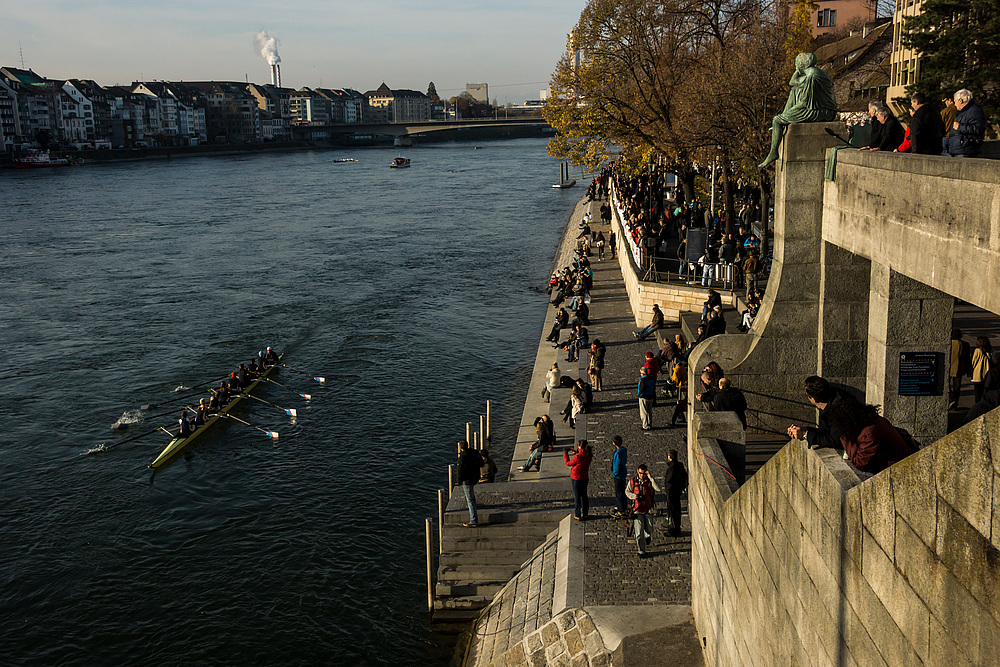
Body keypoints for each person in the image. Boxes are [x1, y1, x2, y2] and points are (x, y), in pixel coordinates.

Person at [759, 52, 837, 168]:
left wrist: (787, 115)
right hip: (821, 109)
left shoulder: (812, 76)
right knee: (794, 90)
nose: (795, 66)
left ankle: (773, 152)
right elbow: (792, 83)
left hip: (821, 112)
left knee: (776, 120)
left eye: (797, 63)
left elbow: (804, 103)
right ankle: (782, 120)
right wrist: (799, 71)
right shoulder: (812, 72)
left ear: (801, 64)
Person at [826, 402, 915, 474]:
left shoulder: (868, 434)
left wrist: (844, 435)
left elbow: (860, 463)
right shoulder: (871, 419)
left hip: (897, 466)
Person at [787, 375, 857, 449]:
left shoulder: (838, 411)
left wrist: (805, 434)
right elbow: (826, 433)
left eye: (807, 396)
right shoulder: (835, 397)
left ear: (814, 399)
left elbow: (834, 441)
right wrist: (805, 430)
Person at [626, 464, 661, 557]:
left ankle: (647, 535)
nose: (642, 475)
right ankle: (641, 551)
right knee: (638, 532)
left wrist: (651, 478)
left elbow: (658, 488)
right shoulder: (632, 481)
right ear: (638, 471)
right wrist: (633, 496)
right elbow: (627, 491)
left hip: (648, 509)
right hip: (637, 509)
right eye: (640, 473)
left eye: (643, 473)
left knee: (649, 529)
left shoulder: (649, 481)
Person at [948, 88, 987, 158]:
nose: (955, 105)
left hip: (965, 150)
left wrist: (959, 127)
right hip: (959, 149)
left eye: (955, 102)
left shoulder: (975, 110)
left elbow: (978, 128)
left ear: (960, 100)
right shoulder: (964, 111)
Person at [564, 440, 593, 520]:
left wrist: (565, 454)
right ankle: (585, 513)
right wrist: (575, 453)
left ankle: (577, 514)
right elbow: (580, 460)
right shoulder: (588, 454)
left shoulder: (578, 457)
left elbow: (568, 463)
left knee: (577, 497)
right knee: (584, 496)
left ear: (580, 446)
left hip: (576, 478)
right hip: (584, 477)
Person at [457, 440, 483, 527]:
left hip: (467, 481)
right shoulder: (474, 452)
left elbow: (460, 471)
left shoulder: (462, 457)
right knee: (472, 498)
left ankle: (473, 520)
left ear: (460, 448)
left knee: (470, 500)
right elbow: (481, 463)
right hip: (475, 478)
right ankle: (474, 517)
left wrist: (459, 481)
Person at [663, 450, 688, 537]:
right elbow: (684, 477)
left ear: (670, 457)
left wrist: (667, 493)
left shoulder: (671, 468)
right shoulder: (680, 465)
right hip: (677, 492)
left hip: (672, 493)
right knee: (677, 510)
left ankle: (673, 529)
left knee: (673, 512)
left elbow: (669, 482)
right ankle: (676, 528)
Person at [950, 328, 972, 410]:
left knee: (945, 385)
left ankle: (952, 399)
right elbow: (967, 359)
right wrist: (969, 370)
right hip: (959, 369)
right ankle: (955, 403)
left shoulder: (949, 344)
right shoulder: (965, 344)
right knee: (957, 387)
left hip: (949, 368)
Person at [611, 436, 628, 518]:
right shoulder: (623, 451)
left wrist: (614, 473)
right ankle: (623, 507)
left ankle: (621, 510)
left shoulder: (618, 453)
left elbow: (617, 465)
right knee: (622, 491)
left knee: (619, 492)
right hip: (623, 474)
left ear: (614, 443)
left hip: (619, 475)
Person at [971, 336, 993, 404]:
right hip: (987, 375)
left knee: (978, 394)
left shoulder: (977, 351)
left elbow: (973, 362)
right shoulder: (991, 350)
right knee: (985, 393)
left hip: (977, 375)